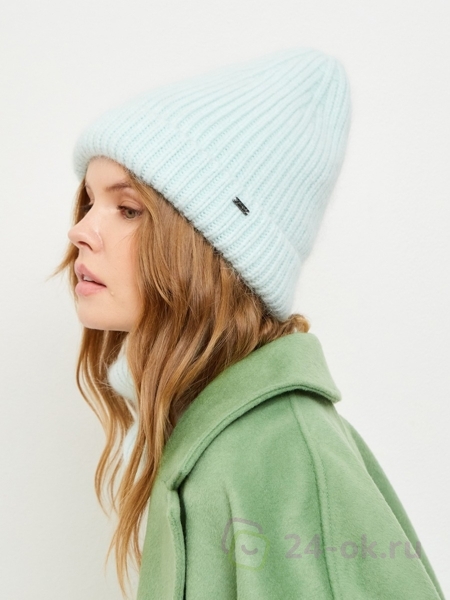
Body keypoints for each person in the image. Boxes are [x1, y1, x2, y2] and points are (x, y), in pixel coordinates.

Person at [58, 48, 445, 599]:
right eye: (90, 201)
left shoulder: (276, 455)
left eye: (128, 209)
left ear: (210, 247)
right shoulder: (223, 434)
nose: (80, 230)